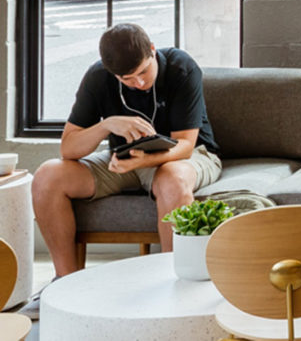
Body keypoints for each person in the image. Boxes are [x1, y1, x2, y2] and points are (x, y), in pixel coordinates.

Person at [24, 23, 222, 316]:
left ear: (152, 51)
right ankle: (66, 286)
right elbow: (68, 148)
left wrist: (145, 161)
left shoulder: (182, 68)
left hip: (186, 157)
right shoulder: (98, 77)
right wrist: (106, 125)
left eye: (143, 72)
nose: (138, 83)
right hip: (124, 160)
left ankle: (175, 286)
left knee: (171, 178)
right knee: (48, 176)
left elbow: (186, 144)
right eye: (127, 79)